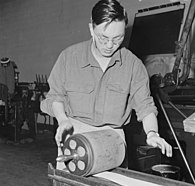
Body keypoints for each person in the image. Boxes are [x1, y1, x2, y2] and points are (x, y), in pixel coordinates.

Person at [41, 0, 172, 170]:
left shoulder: (133, 65)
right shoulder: (69, 57)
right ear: (91, 28)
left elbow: (145, 107)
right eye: (104, 38)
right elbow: (55, 96)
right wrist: (63, 120)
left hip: (113, 141)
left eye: (118, 38)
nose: (110, 46)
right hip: (75, 135)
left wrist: (152, 133)